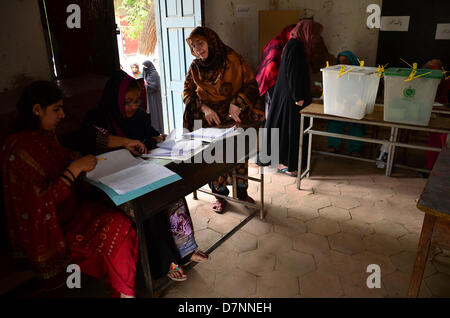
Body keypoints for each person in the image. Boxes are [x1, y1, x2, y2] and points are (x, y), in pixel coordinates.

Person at [1, 81, 138, 297]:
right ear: (37, 110)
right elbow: (38, 203)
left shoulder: (45, 136)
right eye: (56, 109)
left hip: (73, 210)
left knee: (123, 224)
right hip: (52, 231)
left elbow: (59, 157)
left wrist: (74, 158)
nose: (63, 115)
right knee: (119, 227)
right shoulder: (17, 151)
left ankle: (123, 292)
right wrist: (74, 169)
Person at [81, 70, 207, 282]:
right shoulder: (98, 116)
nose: (133, 106)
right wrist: (125, 142)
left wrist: (156, 140)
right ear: (115, 98)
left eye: (136, 101)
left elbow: (147, 138)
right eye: (127, 102)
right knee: (150, 206)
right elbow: (93, 139)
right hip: (112, 182)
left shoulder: (138, 116)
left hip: (141, 171)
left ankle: (185, 249)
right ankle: (166, 262)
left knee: (172, 191)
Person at [182, 26, 264, 213]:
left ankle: (242, 193)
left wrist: (237, 102)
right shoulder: (195, 67)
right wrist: (204, 108)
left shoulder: (232, 59)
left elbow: (251, 84)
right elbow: (187, 92)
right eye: (193, 46)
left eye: (200, 44)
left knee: (238, 157)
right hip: (209, 122)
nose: (197, 49)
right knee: (214, 160)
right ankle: (220, 195)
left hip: (234, 117)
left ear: (211, 41)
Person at [264, 19, 324, 177]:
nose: (316, 39)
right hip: (292, 98)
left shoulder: (296, 45)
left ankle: (288, 162)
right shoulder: (295, 46)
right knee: (291, 131)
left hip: (289, 95)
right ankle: (289, 165)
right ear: (307, 32)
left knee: (288, 130)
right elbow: (293, 73)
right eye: (315, 35)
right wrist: (298, 96)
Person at [326, 51, 366, 157]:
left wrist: (352, 102)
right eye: (340, 62)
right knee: (334, 122)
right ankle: (334, 145)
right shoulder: (338, 73)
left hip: (356, 105)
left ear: (352, 61)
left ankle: (355, 149)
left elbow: (362, 93)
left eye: (345, 61)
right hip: (341, 105)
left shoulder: (361, 74)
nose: (342, 64)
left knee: (357, 125)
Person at [256, 24, 296, 119]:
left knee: (273, 112)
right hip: (270, 81)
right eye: (293, 35)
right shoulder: (278, 44)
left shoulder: (279, 41)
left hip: (270, 79)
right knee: (272, 112)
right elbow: (271, 67)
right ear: (288, 33)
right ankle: (270, 133)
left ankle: (271, 131)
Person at [423, 59, 449, 171]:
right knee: (436, 137)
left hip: (444, 116)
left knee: (442, 137)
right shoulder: (423, 81)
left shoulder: (447, 83)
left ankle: (438, 167)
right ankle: (431, 167)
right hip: (436, 115)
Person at [142, 60, 164, 133]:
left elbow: (154, 86)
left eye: (145, 66)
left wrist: (145, 86)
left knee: (156, 114)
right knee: (152, 115)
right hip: (150, 98)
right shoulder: (148, 73)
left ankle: (158, 131)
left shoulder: (154, 74)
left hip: (155, 98)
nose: (144, 68)